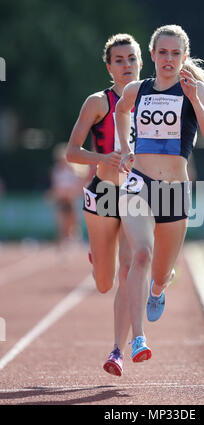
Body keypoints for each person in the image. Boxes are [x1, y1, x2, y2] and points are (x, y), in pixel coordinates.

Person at [115, 24, 204, 361]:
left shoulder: (196, 90)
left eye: (176, 53)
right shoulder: (137, 89)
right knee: (140, 255)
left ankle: (158, 289)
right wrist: (125, 146)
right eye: (163, 52)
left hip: (174, 190)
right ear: (153, 55)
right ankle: (138, 339)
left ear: (184, 56)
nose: (169, 59)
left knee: (159, 273)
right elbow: (120, 110)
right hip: (138, 183)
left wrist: (194, 100)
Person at [66, 34, 143, 376]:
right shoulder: (98, 102)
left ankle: (118, 351)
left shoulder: (154, 100)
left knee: (129, 268)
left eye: (132, 59)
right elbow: (71, 152)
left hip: (135, 196)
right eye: (119, 60)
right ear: (109, 66)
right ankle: (98, 258)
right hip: (102, 193)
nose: (127, 65)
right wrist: (104, 157)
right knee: (103, 281)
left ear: (141, 62)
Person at [48, 142, 87, 246]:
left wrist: (72, 193)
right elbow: (55, 185)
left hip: (72, 198)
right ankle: (63, 238)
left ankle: (75, 237)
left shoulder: (74, 169)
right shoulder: (56, 170)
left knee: (73, 219)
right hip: (62, 199)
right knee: (61, 219)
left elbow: (80, 183)